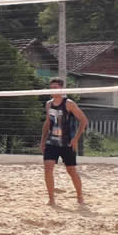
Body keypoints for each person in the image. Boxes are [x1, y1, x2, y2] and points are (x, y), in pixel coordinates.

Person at [39, 77, 89, 206]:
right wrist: (43, 140)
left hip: (67, 143)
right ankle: (51, 198)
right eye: (51, 88)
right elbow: (48, 122)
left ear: (62, 89)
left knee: (71, 171)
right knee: (48, 169)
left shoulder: (69, 103)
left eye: (55, 88)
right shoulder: (48, 104)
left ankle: (79, 196)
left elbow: (84, 120)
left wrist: (76, 138)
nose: (52, 90)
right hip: (52, 143)